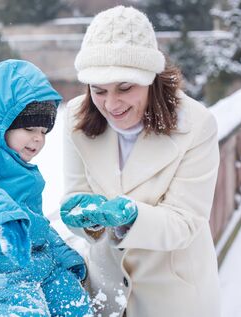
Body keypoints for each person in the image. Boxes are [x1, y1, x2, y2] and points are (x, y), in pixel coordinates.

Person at [59, 5, 221, 317]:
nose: (111, 104)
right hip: (107, 296)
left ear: (150, 79)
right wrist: (83, 218)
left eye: (125, 87)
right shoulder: (77, 118)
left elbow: (186, 221)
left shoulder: (197, 124)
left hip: (176, 298)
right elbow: (76, 195)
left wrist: (132, 218)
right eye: (99, 90)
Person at [0, 59, 93, 317]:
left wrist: (66, 259)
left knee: (74, 303)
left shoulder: (28, 174)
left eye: (44, 131)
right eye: (28, 128)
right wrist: (5, 218)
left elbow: (39, 227)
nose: (38, 138)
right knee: (26, 312)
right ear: (3, 122)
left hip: (31, 268)